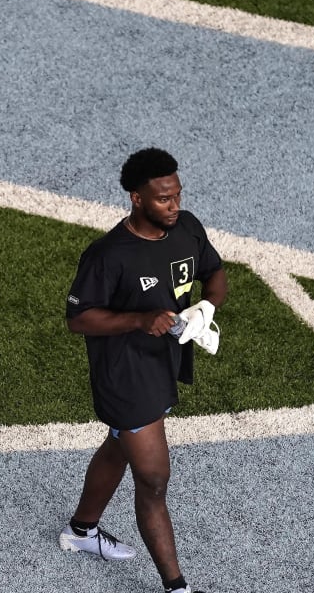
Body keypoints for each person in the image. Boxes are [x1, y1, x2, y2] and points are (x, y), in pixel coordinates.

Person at [60, 148, 228, 593]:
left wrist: (205, 307)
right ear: (137, 199)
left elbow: (216, 273)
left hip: (163, 363)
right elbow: (78, 318)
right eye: (163, 199)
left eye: (177, 195)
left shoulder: (187, 227)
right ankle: (176, 587)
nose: (174, 206)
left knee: (119, 446)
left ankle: (80, 532)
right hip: (125, 375)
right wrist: (139, 319)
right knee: (153, 481)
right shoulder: (108, 255)